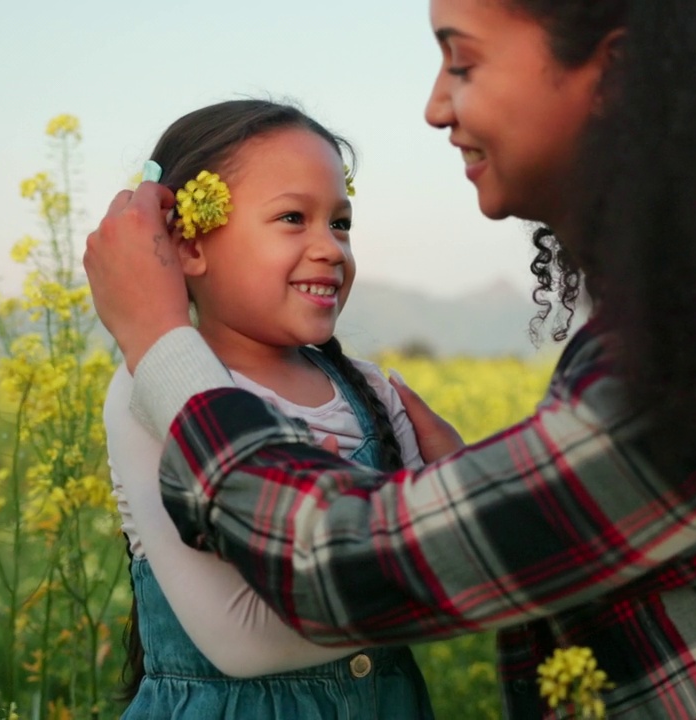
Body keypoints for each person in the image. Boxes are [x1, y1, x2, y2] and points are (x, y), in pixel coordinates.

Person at [85, 1, 696, 717]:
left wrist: (162, 343)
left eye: (462, 60)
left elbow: (345, 565)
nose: (435, 107)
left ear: (613, 75)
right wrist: (483, 493)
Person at [103, 99, 434, 719]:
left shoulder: (370, 391)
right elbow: (243, 642)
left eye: (340, 222)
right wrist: (430, 585)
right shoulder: (146, 387)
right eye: (292, 218)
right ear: (190, 244)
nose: (331, 249)